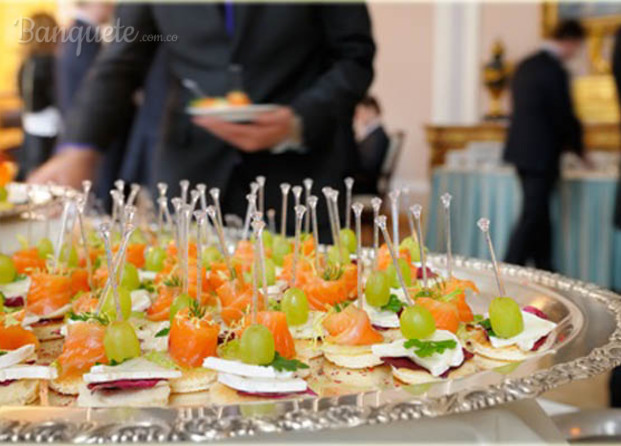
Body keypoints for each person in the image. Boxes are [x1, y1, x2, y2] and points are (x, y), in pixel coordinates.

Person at [29, 4, 375, 235]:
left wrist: (301, 120)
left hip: (301, 177)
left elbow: (355, 57)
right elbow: (122, 61)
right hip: (189, 175)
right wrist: (80, 147)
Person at [503, 20, 586, 271]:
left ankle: (545, 266)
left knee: (539, 212)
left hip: (520, 151)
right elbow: (563, 115)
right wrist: (580, 149)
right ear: (570, 41)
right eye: (578, 46)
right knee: (532, 214)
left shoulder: (525, 65)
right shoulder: (554, 71)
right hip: (542, 154)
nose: (576, 52)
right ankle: (508, 268)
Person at [56, 1, 128, 209]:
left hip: (89, 134)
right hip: (93, 137)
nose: (111, 5)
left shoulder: (80, 33)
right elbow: (92, 94)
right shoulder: (82, 37)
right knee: (99, 204)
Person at [16, 13, 61, 180]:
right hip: (49, 129)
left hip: (30, 126)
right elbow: (56, 97)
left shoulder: (26, 62)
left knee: (31, 174)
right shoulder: (49, 63)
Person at [353, 95, 389, 194]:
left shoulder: (377, 135)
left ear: (371, 110)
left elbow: (368, 166)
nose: (358, 116)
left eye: (360, 112)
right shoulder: (372, 133)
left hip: (365, 185)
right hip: (364, 180)